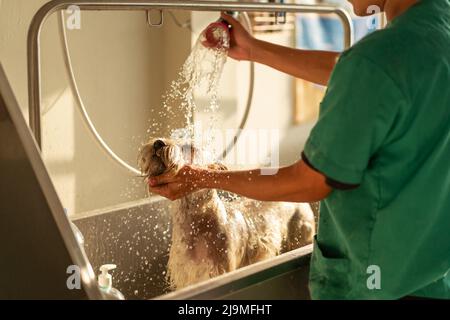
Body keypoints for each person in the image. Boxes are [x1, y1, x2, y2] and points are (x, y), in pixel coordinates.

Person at [149, 0, 450, 299]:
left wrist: (202, 178)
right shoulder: (436, 30)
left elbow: (306, 182)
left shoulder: (375, 62)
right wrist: (255, 49)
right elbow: (360, 70)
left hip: (372, 286)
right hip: (432, 277)